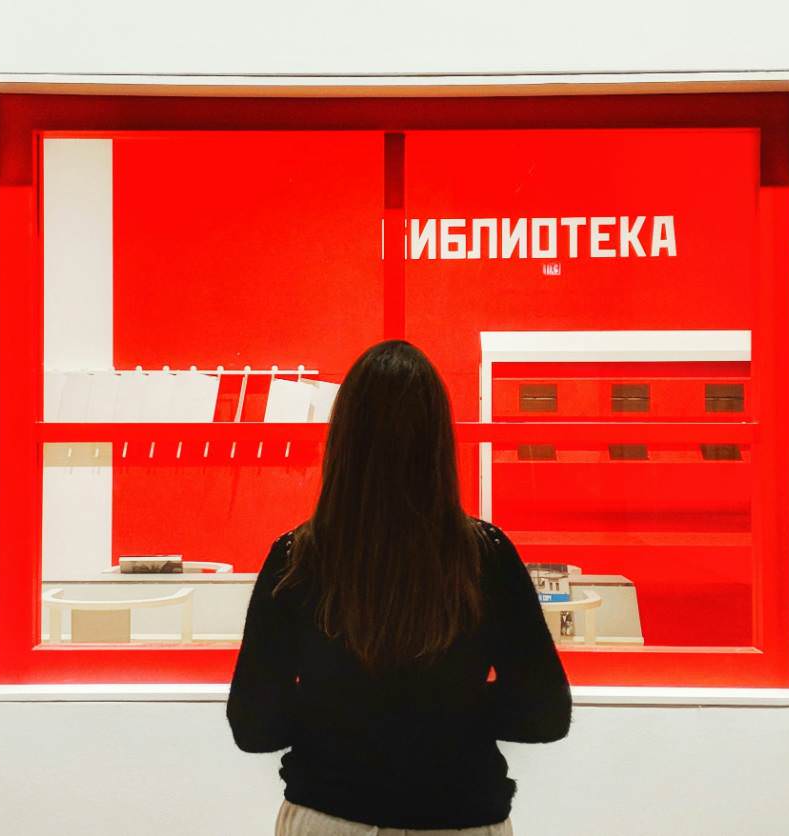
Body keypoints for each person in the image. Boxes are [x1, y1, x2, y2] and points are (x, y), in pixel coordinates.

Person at [228, 340, 571, 835]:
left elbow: (254, 727)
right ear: (437, 442)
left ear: (344, 438)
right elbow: (544, 713)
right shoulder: (485, 555)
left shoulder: (297, 559)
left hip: (328, 816)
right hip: (462, 817)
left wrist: (340, 706)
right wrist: (450, 706)